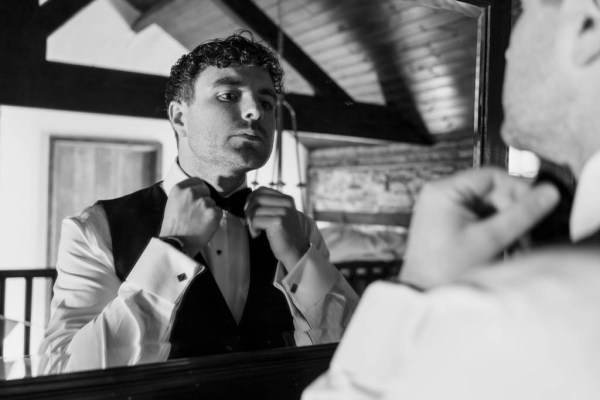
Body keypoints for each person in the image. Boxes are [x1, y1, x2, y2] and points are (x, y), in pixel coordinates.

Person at [303, 0, 600, 398]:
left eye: (525, 12)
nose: (509, 48)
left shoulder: (514, 313)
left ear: (586, 28)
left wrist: (418, 287)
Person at [40, 32, 358, 374]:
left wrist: (299, 258)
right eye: (228, 95)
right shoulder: (93, 228)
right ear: (179, 117)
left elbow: (357, 358)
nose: (255, 112)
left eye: (266, 103)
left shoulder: (301, 230)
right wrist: (171, 251)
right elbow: (61, 375)